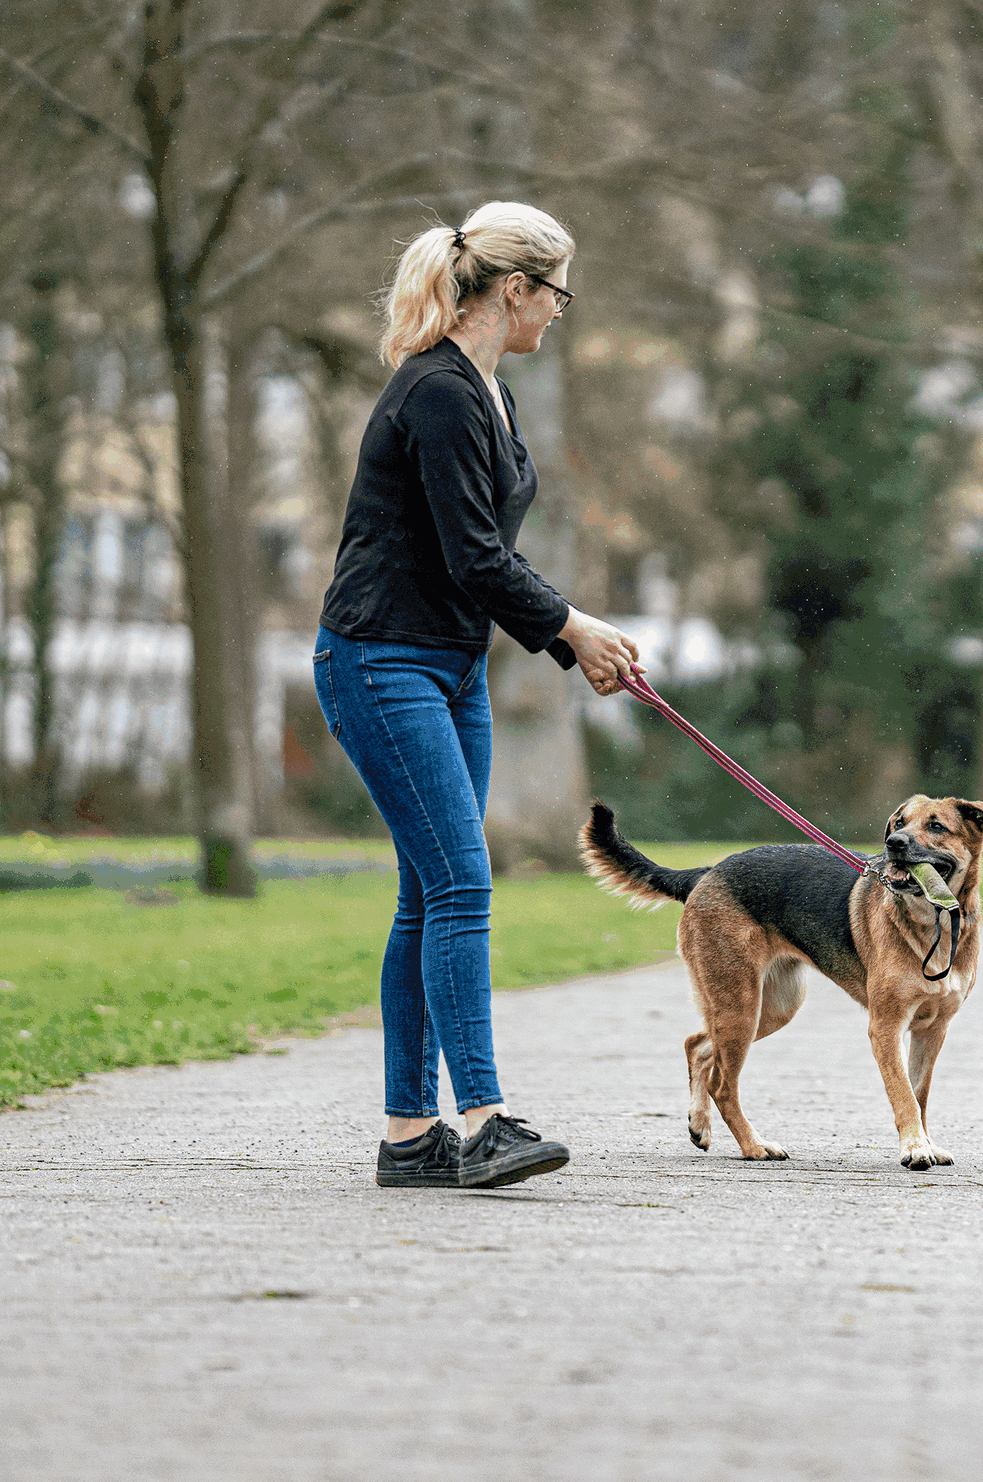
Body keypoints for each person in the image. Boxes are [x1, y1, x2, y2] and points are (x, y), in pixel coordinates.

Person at [313, 202, 638, 1189]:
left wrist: (572, 630)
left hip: (450, 668)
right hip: (381, 661)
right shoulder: (439, 393)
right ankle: (485, 1121)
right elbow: (474, 556)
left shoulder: (490, 393)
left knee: (428, 892)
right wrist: (572, 630)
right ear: (517, 289)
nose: (559, 314)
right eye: (559, 296)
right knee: (460, 883)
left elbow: (486, 553)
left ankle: (410, 1138)